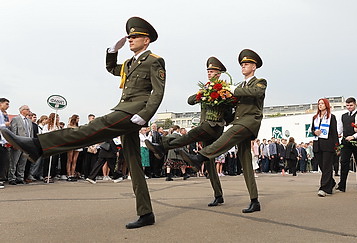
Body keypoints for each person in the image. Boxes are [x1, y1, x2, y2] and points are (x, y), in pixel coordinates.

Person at [1, 16, 166, 229]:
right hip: (125, 108)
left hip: (134, 111)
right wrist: (112, 51)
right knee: (134, 163)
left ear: (147, 40)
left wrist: (146, 114)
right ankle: (146, 213)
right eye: (130, 36)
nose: (131, 39)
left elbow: (158, 92)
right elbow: (112, 69)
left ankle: (38, 145)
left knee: (93, 128)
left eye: (135, 37)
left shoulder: (154, 61)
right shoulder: (130, 63)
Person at [177, 49, 267, 213]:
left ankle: (200, 157)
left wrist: (232, 90)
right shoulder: (240, 86)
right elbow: (236, 110)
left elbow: (256, 93)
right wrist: (225, 117)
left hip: (249, 123)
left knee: (228, 136)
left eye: (246, 64)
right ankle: (255, 200)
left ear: (254, 67)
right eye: (242, 64)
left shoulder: (259, 82)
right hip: (239, 122)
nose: (243, 66)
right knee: (246, 163)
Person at [145, 56, 232, 207]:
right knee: (209, 163)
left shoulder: (225, 89)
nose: (209, 74)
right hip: (206, 125)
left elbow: (230, 114)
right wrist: (203, 94)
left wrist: (223, 114)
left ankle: (162, 146)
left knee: (190, 135)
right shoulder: (207, 88)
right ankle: (218, 195)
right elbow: (190, 100)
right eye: (208, 71)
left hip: (214, 127)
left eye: (212, 71)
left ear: (219, 74)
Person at [336, 97, 357, 193]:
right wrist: (337, 134)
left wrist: (353, 136)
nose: (349, 107)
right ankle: (342, 185)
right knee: (344, 162)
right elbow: (340, 128)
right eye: (347, 105)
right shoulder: (343, 116)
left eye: (351, 105)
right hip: (345, 142)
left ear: (355, 105)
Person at [311, 98, 339, 197]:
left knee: (327, 167)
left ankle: (324, 188)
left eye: (322, 103)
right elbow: (312, 130)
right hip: (317, 144)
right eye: (319, 104)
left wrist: (337, 146)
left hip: (328, 144)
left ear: (326, 105)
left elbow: (334, 132)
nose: (320, 105)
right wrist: (314, 132)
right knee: (322, 167)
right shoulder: (315, 117)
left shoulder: (331, 117)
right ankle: (332, 183)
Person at [8, 105, 34, 185]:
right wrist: (14, 143)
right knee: (14, 162)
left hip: (26, 144)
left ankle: (20, 177)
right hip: (18, 144)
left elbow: (31, 133)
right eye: (27, 109)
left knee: (23, 162)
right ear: (22, 110)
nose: (29, 111)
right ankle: (12, 178)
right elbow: (13, 131)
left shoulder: (29, 121)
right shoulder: (16, 119)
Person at [66, 114, 81, 182]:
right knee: (70, 159)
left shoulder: (78, 126)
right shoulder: (69, 126)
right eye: (77, 118)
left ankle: (72, 173)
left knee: (75, 160)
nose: (78, 119)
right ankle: (68, 174)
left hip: (77, 143)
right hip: (71, 143)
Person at [0, 98, 10, 189]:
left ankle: (1, 179)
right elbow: (2, 127)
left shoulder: (2, 114)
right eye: (6, 104)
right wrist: (6, 124)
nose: (8, 106)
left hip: (3, 142)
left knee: (4, 161)